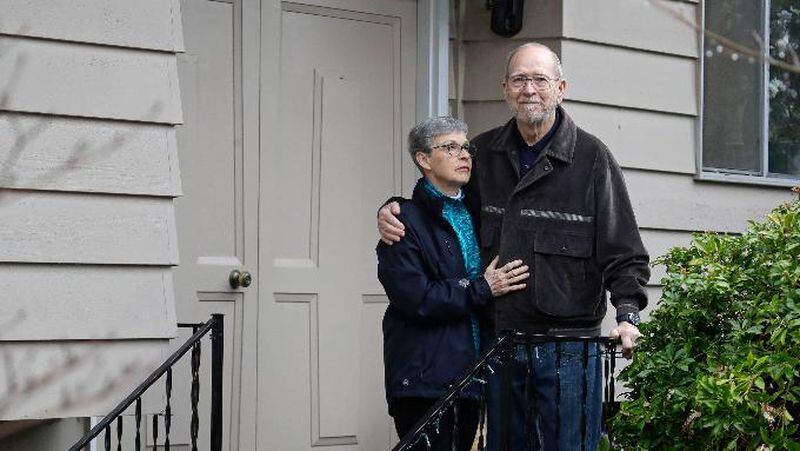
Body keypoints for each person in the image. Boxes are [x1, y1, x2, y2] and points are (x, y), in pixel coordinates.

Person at [377, 43, 651, 450]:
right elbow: (443, 207)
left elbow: (623, 249)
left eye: (540, 79)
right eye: (520, 79)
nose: (530, 90)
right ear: (505, 89)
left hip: (570, 348)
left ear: (561, 88)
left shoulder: (592, 158)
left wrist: (628, 314)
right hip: (500, 346)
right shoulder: (483, 154)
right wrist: (393, 210)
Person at [378, 116, 530, 451]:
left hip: (471, 374)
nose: (463, 155)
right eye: (450, 147)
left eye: (466, 147)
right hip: (424, 379)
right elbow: (417, 298)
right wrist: (484, 288)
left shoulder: (474, 214)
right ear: (423, 159)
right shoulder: (402, 224)